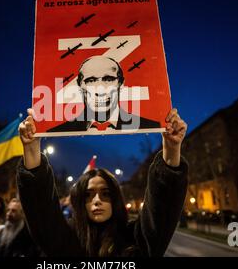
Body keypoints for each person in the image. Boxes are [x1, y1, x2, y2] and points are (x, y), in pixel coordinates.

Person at [18, 107, 188, 256]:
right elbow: (41, 210)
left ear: (115, 198)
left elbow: (161, 207)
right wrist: (31, 149)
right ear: (79, 201)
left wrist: (172, 149)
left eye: (105, 194)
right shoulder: (65, 238)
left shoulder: (135, 238)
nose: (97, 201)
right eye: (88, 195)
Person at [47, 56, 160, 133]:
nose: (100, 90)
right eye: (91, 81)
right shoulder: (56, 132)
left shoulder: (152, 127)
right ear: (79, 85)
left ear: (121, 84)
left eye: (108, 79)